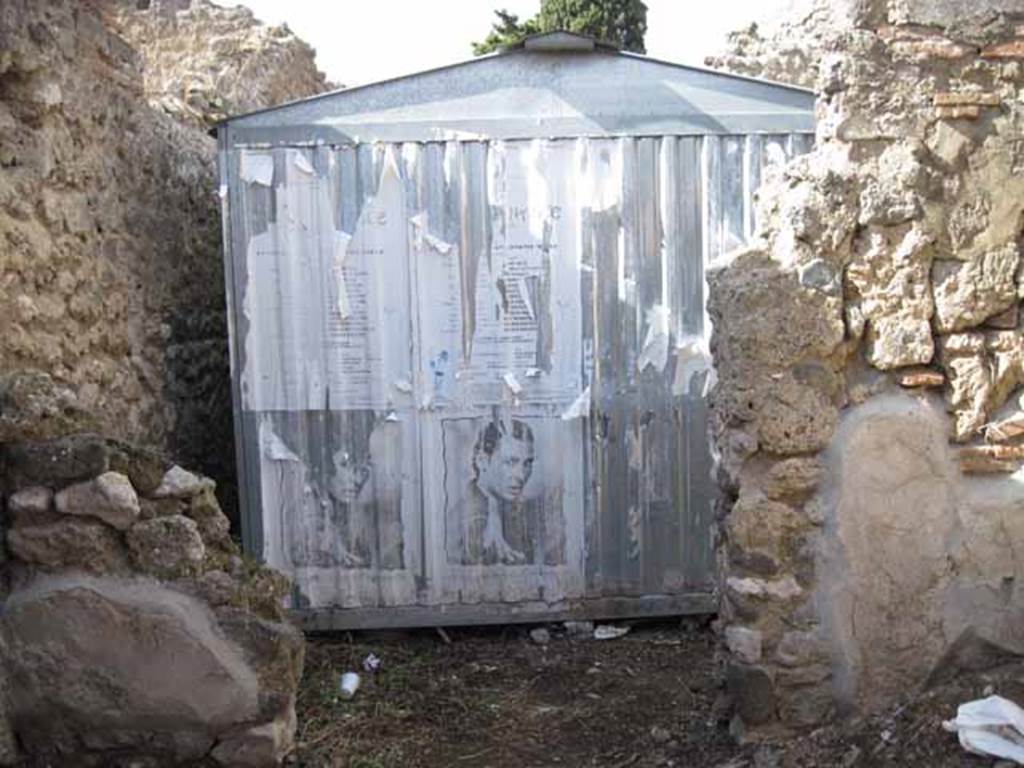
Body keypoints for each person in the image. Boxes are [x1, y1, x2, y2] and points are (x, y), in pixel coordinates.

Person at [450, 418, 540, 565]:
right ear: (482, 461)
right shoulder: (469, 519)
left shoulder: (509, 511)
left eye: (527, 463)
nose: (521, 475)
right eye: (510, 462)